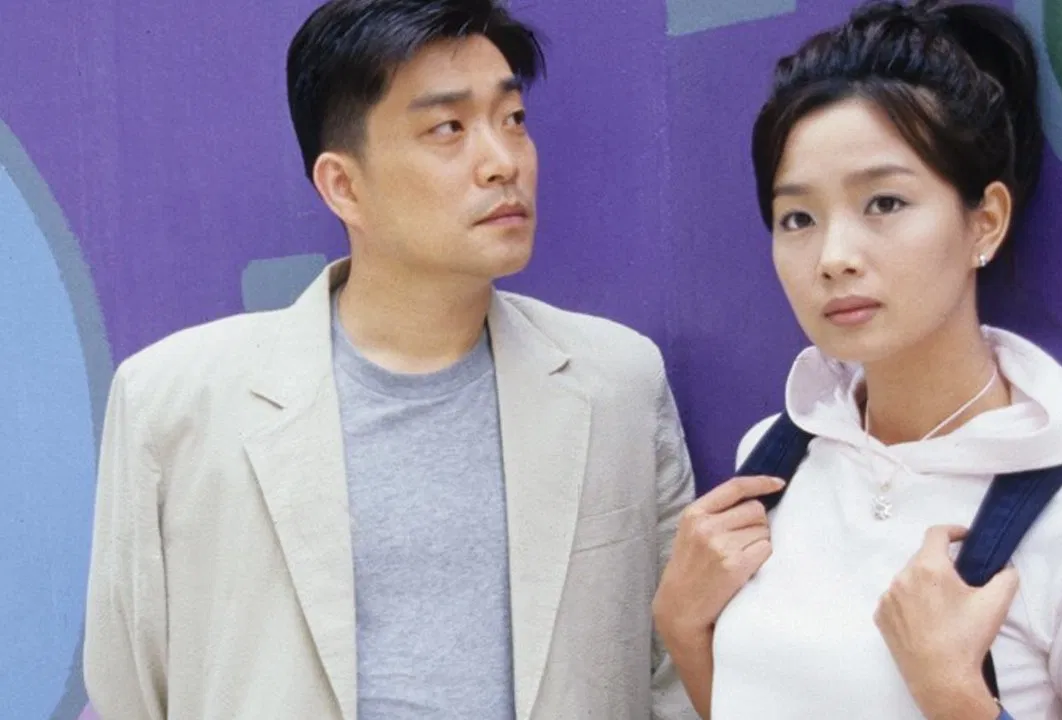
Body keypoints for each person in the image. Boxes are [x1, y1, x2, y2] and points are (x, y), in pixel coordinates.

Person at [82, 1, 697, 718]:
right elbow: (128, 690)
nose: (503, 162)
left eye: (513, 119)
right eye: (448, 129)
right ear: (343, 186)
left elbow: (676, 671)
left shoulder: (618, 381)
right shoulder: (173, 403)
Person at [652, 1, 1062, 718]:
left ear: (985, 222)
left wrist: (954, 696)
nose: (834, 257)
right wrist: (685, 631)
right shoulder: (773, 466)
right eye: (798, 218)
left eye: (884, 203)